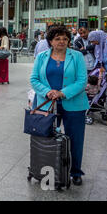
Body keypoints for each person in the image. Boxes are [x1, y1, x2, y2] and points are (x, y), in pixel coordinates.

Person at [30, 25, 89, 186]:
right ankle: (48, 169)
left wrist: (62, 93)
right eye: (57, 39)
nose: (62, 41)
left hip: (74, 104)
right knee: (47, 138)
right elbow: (34, 79)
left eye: (65, 38)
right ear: (50, 41)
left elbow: (82, 81)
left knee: (76, 139)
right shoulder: (42, 57)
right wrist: (49, 92)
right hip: (47, 105)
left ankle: (75, 171)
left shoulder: (76, 56)